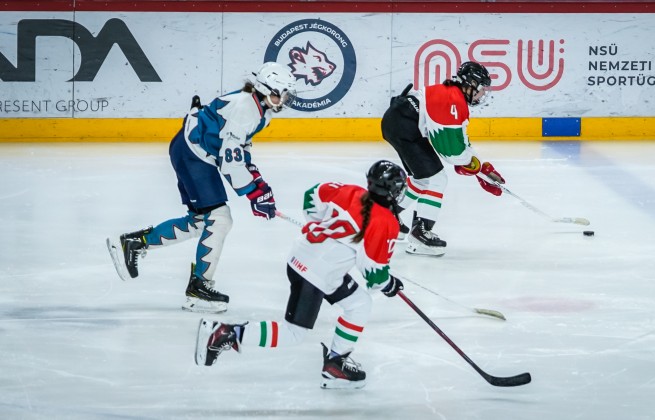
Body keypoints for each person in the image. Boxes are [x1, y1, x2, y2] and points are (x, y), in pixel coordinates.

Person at [194, 160, 407, 390]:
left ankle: (336, 364)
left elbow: (312, 196)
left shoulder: (351, 191)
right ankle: (226, 333)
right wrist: (389, 284)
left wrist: (317, 223)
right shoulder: (385, 222)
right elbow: (374, 274)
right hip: (315, 273)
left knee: (359, 303)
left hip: (309, 259)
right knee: (293, 333)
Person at [106, 61, 297, 313]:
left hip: (191, 151)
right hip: (193, 155)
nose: (285, 99)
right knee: (219, 219)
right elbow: (230, 162)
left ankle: (134, 243)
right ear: (265, 89)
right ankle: (199, 288)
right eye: (282, 93)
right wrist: (253, 192)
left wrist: (258, 184)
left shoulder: (258, 108)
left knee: (201, 221)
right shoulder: (246, 110)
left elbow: (239, 149)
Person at [381, 61, 506, 257]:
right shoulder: (453, 101)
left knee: (422, 179)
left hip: (399, 121)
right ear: (471, 84)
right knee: (437, 179)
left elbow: (461, 144)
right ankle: (420, 234)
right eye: (481, 89)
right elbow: (452, 152)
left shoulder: (453, 96)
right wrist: (472, 167)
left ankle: (386, 214)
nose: (482, 94)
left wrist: (482, 169)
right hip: (404, 126)